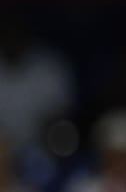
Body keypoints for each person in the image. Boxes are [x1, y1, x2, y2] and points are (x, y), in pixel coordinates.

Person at [0, 13, 75, 153]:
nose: (12, 40)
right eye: (7, 34)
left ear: (26, 36)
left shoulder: (49, 66)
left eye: (16, 34)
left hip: (40, 148)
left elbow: (61, 115)